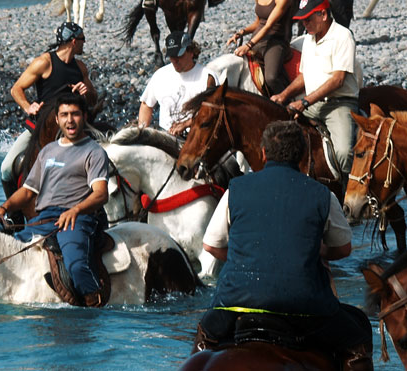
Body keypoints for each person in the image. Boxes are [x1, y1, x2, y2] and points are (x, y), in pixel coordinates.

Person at [193, 120, 372, 370]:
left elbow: (211, 246)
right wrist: (319, 250)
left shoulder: (236, 189)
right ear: (303, 155)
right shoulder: (322, 194)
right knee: (357, 339)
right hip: (305, 307)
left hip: (236, 303)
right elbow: (343, 249)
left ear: (263, 153)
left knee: (203, 341)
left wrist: (241, 257)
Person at [0, 94, 110, 307]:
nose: (69, 120)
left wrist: (75, 210)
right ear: (57, 119)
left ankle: (94, 302)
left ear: (84, 117)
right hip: (44, 219)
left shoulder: (94, 151)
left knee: (76, 265)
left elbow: (101, 194)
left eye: (75, 114)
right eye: (64, 115)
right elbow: (28, 191)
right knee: (8, 252)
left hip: (77, 219)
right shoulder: (48, 151)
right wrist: (4, 207)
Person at [4, 22, 97, 206]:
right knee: (6, 168)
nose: (84, 43)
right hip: (42, 127)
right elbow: (16, 89)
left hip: (75, 126)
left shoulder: (80, 67)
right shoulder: (44, 62)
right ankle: (14, 214)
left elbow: (93, 100)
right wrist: (28, 107)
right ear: (73, 41)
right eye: (83, 39)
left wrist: (86, 92)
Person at [270, 0, 362, 182]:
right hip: (313, 103)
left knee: (343, 152)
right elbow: (304, 76)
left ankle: (348, 191)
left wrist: (305, 102)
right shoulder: (309, 40)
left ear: (324, 15)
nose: (305, 24)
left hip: (339, 104)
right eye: (302, 20)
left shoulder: (343, 36)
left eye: (308, 19)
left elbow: (338, 80)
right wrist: (284, 95)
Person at [138, 32, 217, 134]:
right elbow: (146, 104)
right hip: (165, 136)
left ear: (191, 52)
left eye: (179, 56)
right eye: (172, 56)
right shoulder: (160, 75)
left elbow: (214, 112)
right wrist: (141, 132)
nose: (175, 60)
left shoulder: (207, 77)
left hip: (195, 137)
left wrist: (186, 124)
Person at [226, 0, 297, 96]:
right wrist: (241, 33)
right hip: (257, 40)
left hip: (276, 41)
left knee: (271, 78)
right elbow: (258, 23)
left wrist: (248, 45)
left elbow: (268, 25)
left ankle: (287, 101)